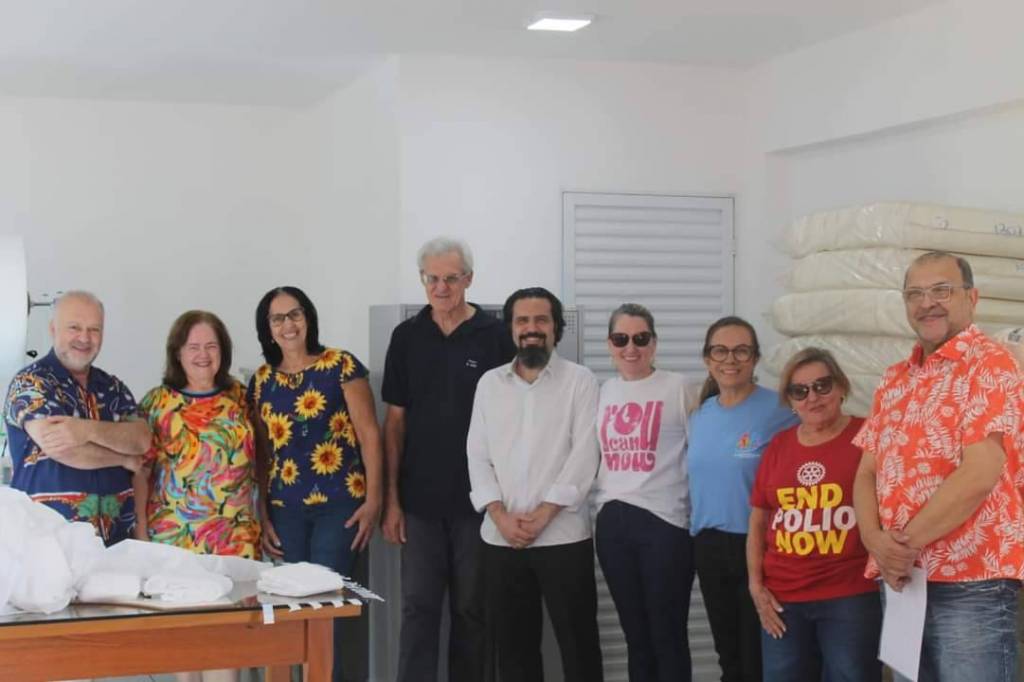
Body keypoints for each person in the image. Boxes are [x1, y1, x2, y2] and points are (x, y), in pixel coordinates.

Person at [853, 251, 1024, 682]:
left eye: (941, 291)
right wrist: (874, 541)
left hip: (970, 581)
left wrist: (900, 547)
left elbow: (980, 473)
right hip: (902, 579)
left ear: (972, 297)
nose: (926, 303)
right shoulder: (894, 379)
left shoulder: (991, 364)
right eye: (915, 294)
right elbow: (867, 472)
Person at [380, 237, 514, 681]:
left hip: (479, 502)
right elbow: (394, 424)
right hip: (418, 504)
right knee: (418, 609)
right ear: (422, 280)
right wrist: (391, 501)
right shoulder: (406, 337)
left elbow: (513, 422)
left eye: (451, 279)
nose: (441, 288)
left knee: (473, 611)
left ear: (468, 279)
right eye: (432, 278)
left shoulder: (497, 336)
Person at [467, 287, 603, 682]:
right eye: (523, 320)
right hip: (502, 539)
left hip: (564, 537)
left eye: (541, 320)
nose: (532, 328)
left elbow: (586, 454)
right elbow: (477, 454)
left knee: (579, 647)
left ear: (556, 328)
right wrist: (499, 515)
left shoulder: (580, 381)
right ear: (511, 328)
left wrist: (544, 514)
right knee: (513, 653)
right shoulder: (489, 384)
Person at [248, 286, 383, 682]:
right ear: (267, 329)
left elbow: (369, 435)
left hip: (340, 507)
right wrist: (261, 512)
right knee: (290, 608)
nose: (288, 325)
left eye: (295, 314)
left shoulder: (340, 366)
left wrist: (375, 500)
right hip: (285, 510)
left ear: (308, 318)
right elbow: (262, 454)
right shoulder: (261, 381)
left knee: (326, 608)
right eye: (277, 318)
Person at [135, 311, 256, 682]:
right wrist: (140, 532)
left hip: (232, 541)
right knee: (185, 650)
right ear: (178, 353)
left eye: (211, 346)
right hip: (175, 541)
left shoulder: (242, 397)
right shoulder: (156, 403)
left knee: (226, 647)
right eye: (193, 347)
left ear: (223, 351)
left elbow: (263, 462)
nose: (203, 355)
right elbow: (141, 471)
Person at [747, 348, 881, 682]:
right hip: (783, 597)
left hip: (850, 594)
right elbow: (759, 521)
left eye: (822, 385)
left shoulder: (869, 437)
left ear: (841, 386)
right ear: (790, 400)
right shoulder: (779, 446)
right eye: (800, 390)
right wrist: (756, 585)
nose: (812, 397)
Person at [687, 316, 796, 682]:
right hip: (708, 546)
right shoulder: (701, 414)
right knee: (728, 653)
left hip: (758, 546)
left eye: (741, 351)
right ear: (707, 359)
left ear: (755, 358)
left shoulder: (781, 410)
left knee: (757, 653)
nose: (730, 359)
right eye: (720, 351)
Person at [592, 303, 695, 682]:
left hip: (664, 522)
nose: (631, 348)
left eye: (640, 338)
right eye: (621, 339)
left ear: (654, 343)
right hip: (612, 523)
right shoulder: (605, 391)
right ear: (610, 344)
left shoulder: (678, 387)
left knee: (667, 634)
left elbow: (701, 455)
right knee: (636, 637)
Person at [3, 290, 150, 545]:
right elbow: (62, 449)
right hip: (48, 546)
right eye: (74, 327)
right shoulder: (31, 383)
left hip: (116, 545)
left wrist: (86, 430)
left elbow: (141, 440)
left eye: (94, 329)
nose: (84, 338)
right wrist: (123, 458)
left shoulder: (113, 387)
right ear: (53, 329)